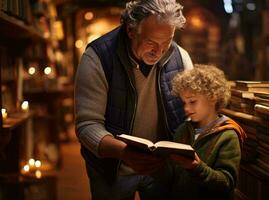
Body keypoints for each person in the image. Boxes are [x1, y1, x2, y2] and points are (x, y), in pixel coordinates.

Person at [74, 0, 193, 199]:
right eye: (151, 43)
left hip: (162, 169)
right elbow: (87, 125)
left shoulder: (180, 57)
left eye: (166, 42)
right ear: (131, 30)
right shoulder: (98, 57)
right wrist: (124, 153)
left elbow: (191, 114)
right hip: (112, 169)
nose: (160, 52)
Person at [170, 64, 247, 200]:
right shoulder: (184, 129)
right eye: (184, 103)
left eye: (192, 102)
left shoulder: (228, 135)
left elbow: (227, 183)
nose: (186, 108)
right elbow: (174, 175)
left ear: (213, 97)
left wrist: (197, 168)